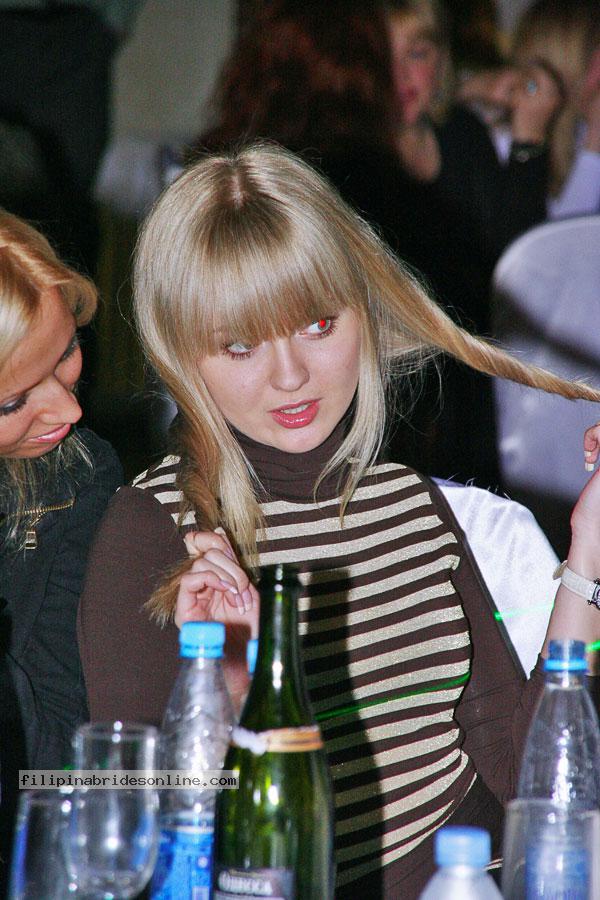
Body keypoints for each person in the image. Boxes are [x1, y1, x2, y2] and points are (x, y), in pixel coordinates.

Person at [79, 143, 600, 898]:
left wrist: (587, 556)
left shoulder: (413, 507)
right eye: (241, 345)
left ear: (364, 310)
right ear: (182, 354)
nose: (291, 375)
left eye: (318, 325)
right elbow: (137, 840)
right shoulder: (153, 533)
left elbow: (535, 780)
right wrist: (228, 697)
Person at [0, 212, 123, 889]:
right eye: (14, 401)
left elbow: (58, 751)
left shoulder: (73, 475)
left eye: (68, 351)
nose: (68, 411)